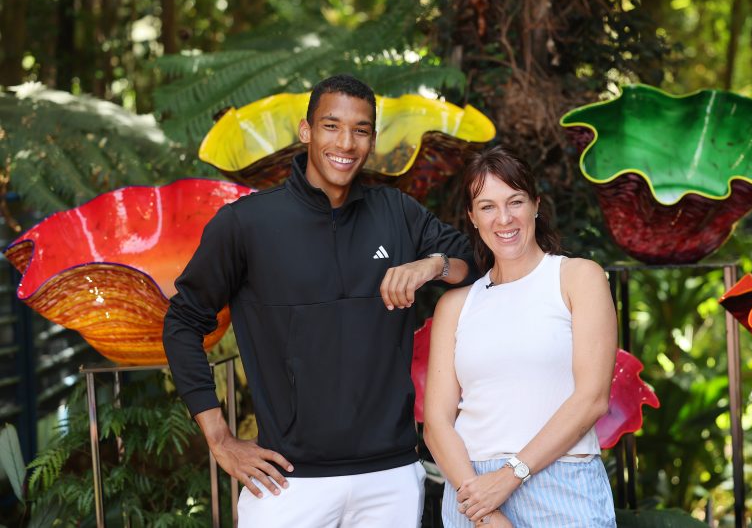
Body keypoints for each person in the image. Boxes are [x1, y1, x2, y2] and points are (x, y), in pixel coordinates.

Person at [163, 74, 475, 527]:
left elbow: (471, 261)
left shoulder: (396, 212)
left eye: (361, 130)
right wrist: (220, 439)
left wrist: (432, 265)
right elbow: (183, 322)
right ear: (306, 131)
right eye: (331, 126)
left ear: (371, 139)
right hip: (287, 482)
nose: (346, 143)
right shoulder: (245, 225)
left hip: (389, 479)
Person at [423, 146, 618, 528]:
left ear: (535, 205)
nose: (504, 218)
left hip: (562, 484)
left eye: (515, 201)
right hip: (472, 492)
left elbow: (592, 398)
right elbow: (436, 423)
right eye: (487, 206)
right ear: (472, 217)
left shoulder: (578, 277)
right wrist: (485, 510)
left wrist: (510, 476)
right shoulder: (456, 305)